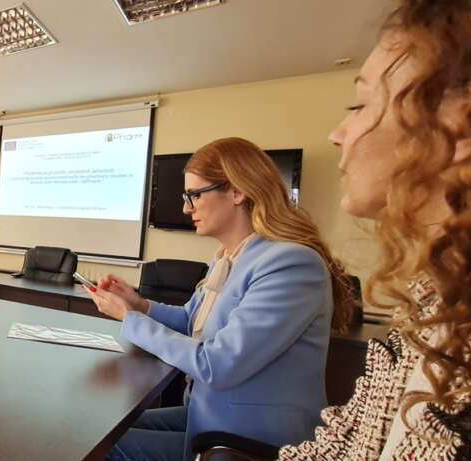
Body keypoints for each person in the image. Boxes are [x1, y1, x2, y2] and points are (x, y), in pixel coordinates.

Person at [279, 1, 470, 459]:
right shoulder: (428, 312)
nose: (337, 134)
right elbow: (344, 442)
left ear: (460, 127)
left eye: (360, 105)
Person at [90, 137, 353, 461]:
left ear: (237, 191)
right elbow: (190, 320)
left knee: (100, 448)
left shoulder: (290, 264)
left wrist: (130, 319)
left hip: (254, 440)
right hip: (212, 415)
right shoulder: (227, 259)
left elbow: (217, 364)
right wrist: (139, 305)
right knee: (98, 430)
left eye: (195, 195)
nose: (187, 208)